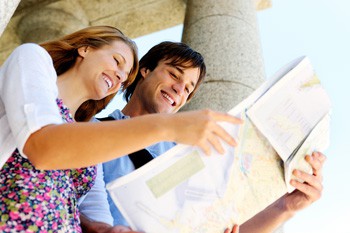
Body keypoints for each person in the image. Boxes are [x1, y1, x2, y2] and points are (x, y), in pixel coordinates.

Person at [0, 26, 242, 232]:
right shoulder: (33, 59)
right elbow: (44, 147)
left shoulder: (81, 133)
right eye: (117, 61)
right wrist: (167, 126)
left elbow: (94, 215)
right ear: (85, 48)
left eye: (124, 77)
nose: (118, 77)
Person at [79, 41, 326, 233]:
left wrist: (287, 206)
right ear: (145, 70)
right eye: (175, 75)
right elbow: (50, 190)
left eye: (188, 88)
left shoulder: (194, 156)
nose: (179, 89)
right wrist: (95, 227)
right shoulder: (88, 130)